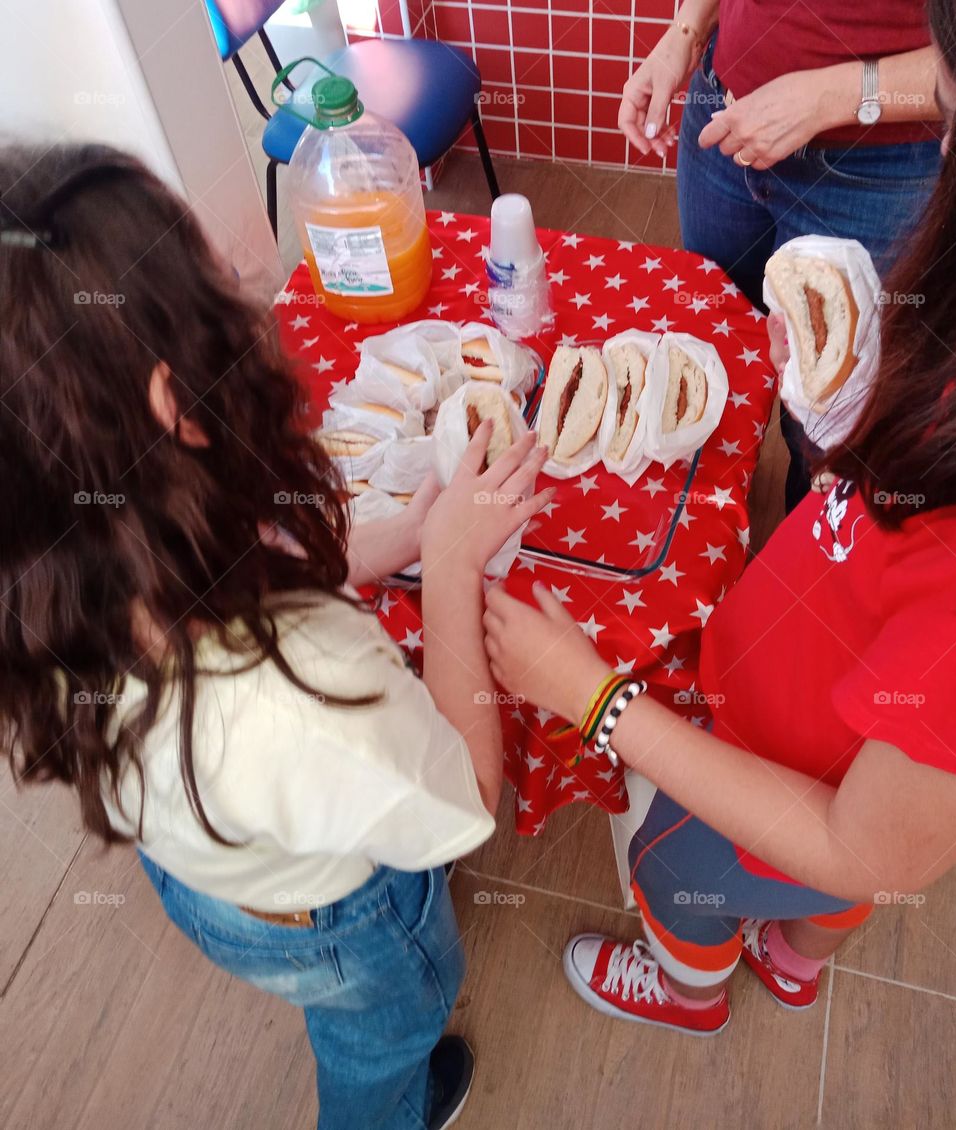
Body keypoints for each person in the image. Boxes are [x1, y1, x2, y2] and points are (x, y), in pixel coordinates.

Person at [0, 142, 552, 1129]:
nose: (243, 279)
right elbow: (472, 797)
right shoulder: (306, 690)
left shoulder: (80, 568)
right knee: (382, 1034)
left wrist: (407, 535)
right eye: (212, 277)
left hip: (204, 871)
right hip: (343, 922)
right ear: (176, 403)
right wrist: (450, 569)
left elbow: (256, 562)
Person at [484, 0, 956, 1038]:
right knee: (820, 907)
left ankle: (690, 993)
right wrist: (846, 422)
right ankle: (792, 961)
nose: (938, 147)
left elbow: (861, 851)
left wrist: (598, 700)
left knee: (676, 879)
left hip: (773, 790)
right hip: (793, 708)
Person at [619, 0, 943, 512]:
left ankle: (800, 545)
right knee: (713, 360)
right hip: (720, 119)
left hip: (878, 172)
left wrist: (824, 97)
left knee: (828, 427)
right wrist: (685, 33)